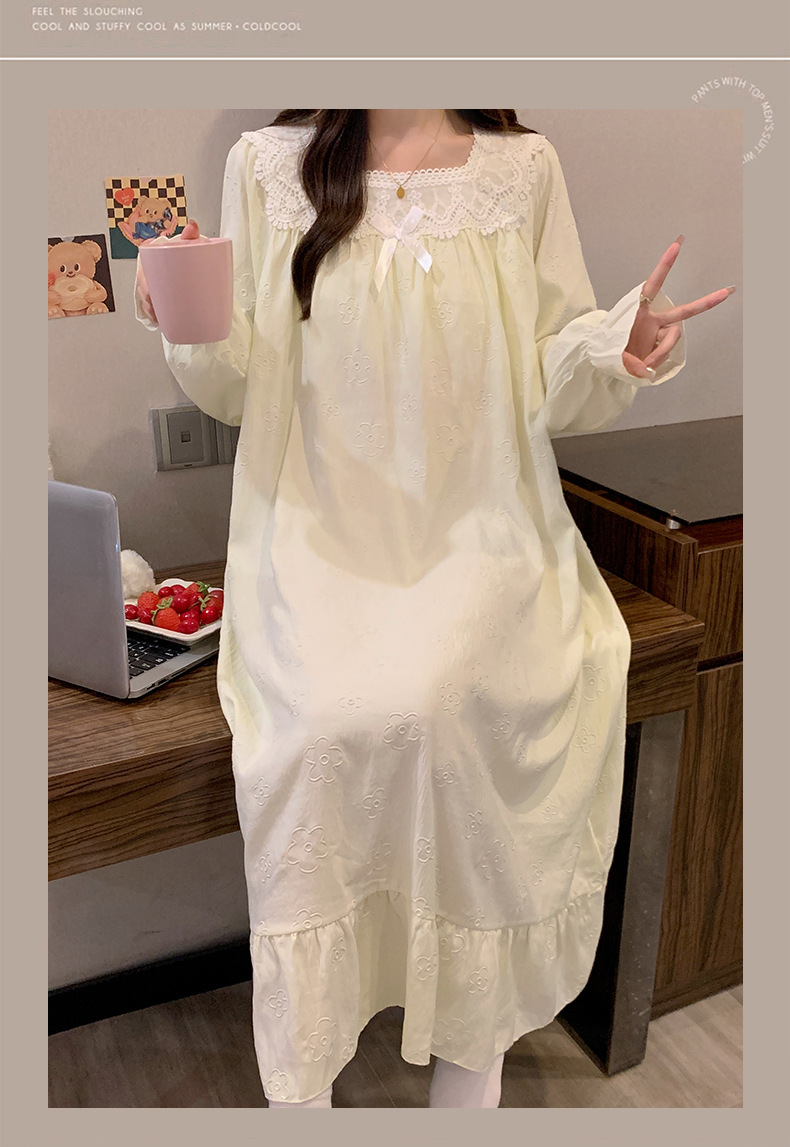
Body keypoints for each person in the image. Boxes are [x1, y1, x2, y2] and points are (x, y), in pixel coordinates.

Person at [134, 109, 735, 1107]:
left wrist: (614, 345)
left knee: (467, 714)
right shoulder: (266, 166)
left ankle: (470, 1073)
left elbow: (545, 369)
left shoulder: (523, 168)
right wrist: (182, 318)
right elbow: (239, 383)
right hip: (316, 539)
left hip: (482, 532)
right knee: (313, 743)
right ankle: (305, 1090)